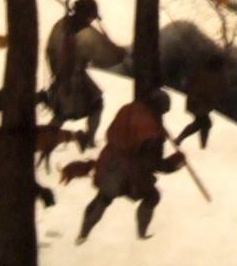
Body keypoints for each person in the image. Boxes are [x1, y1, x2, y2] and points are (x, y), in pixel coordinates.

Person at [76, 90, 185, 243]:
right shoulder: (154, 132)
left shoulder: (128, 109)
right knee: (152, 196)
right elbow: (153, 164)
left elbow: (112, 132)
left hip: (108, 161)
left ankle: (83, 234)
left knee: (103, 198)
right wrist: (175, 162)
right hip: (129, 172)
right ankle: (142, 234)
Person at [44, 0, 104, 140]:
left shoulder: (68, 25)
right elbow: (57, 52)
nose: (91, 21)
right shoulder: (69, 29)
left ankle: (88, 138)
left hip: (70, 76)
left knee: (94, 103)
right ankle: (46, 139)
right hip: (68, 78)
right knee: (64, 113)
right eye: (90, 17)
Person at [175, 55, 225, 150]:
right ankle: (198, 144)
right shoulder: (206, 74)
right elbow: (200, 88)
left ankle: (200, 145)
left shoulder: (206, 73)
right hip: (198, 103)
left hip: (199, 103)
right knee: (203, 123)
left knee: (203, 123)